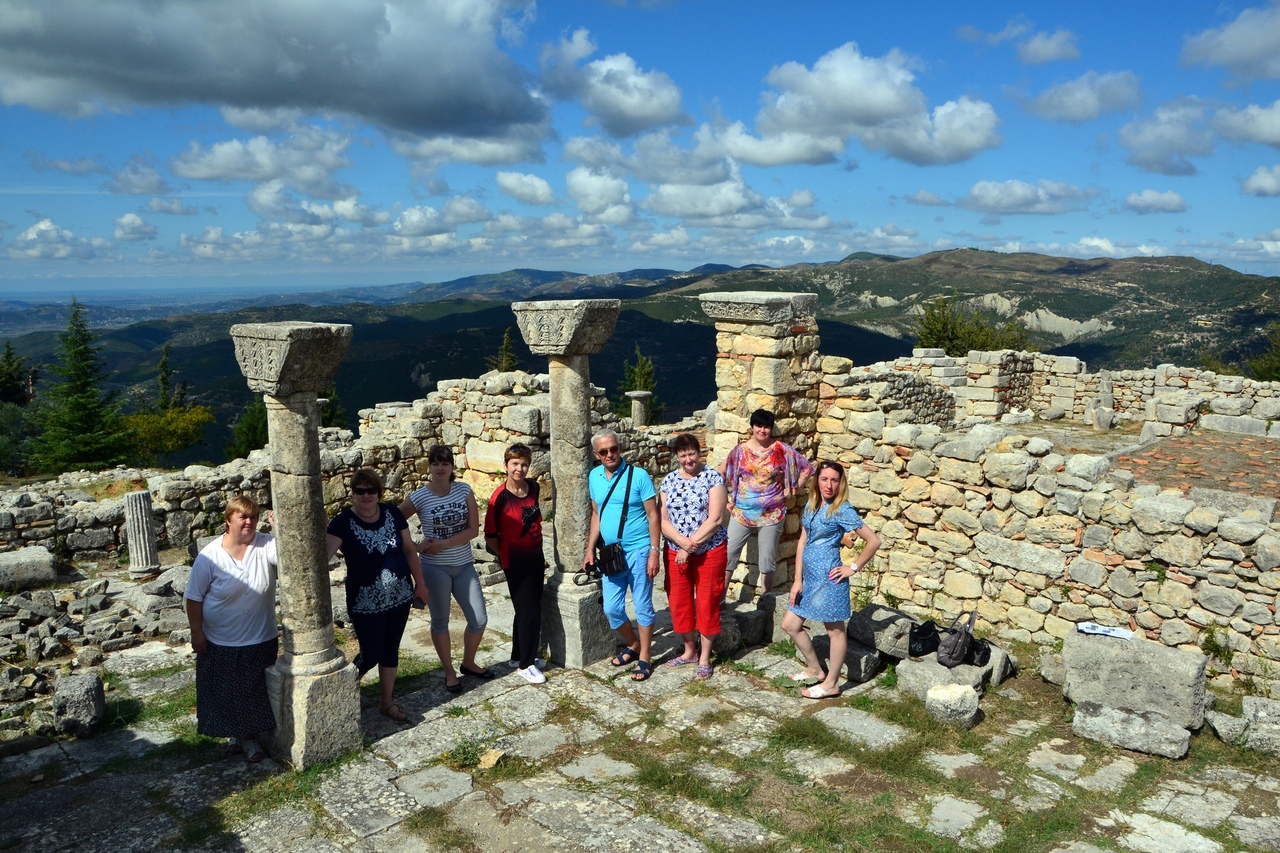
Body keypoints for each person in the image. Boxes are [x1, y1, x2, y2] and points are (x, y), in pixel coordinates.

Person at [326, 469, 427, 722]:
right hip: (365, 602)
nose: (366, 495)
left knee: (390, 649)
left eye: (371, 490)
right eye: (360, 491)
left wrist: (421, 584)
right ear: (352, 493)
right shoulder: (341, 523)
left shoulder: (393, 513)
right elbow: (321, 557)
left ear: (379, 492)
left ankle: (387, 701)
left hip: (400, 596)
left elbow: (409, 550)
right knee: (371, 652)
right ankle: (339, 694)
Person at [185, 495, 278, 761]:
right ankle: (237, 735)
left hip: (260, 635)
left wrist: (278, 529)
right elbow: (194, 597)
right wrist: (196, 632)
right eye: (243, 517)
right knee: (227, 692)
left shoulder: (266, 544)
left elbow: (291, 558)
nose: (249, 522)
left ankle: (248, 739)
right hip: (221, 638)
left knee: (251, 692)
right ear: (228, 521)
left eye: (254, 517)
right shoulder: (209, 557)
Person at [783, 460, 882, 700]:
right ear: (817, 480)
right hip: (809, 578)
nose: (829, 485)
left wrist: (853, 567)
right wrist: (797, 580)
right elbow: (802, 541)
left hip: (830, 578)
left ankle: (832, 684)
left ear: (841, 483)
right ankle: (815, 669)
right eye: (824, 479)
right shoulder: (812, 503)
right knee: (790, 624)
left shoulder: (842, 509)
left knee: (835, 631)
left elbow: (874, 541)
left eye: (834, 480)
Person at [400, 445, 489, 693]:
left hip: (464, 565)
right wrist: (416, 547)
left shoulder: (464, 490)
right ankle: (449, 672)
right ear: (429, 467)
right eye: (436, 463)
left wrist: (444, 544)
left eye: (445, 463)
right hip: (434, 568)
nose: (440, 468)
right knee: (440, 622)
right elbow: (393, 521)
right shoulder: (419, 497)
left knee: (479, 619)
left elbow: (473, 530)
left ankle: (468, 662)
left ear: (452, 467)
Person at [582, 429, 661, 681]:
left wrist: (654, 552)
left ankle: (645, 655)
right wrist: (589, 549)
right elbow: (597, 513)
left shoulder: (638, 476)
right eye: (603, 451)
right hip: (610, 554)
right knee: (612, 608)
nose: (610, 454)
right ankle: (633, 643)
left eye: (613, 449)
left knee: (642, 605)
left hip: (639, 550)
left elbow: (653, 515)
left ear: (620, 448)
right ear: (596, 454)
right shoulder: (594, 476)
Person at [719, 408, 814, 595]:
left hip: (772, 514)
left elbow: (807, 467)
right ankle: (719, 599)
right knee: (728, 554)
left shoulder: (781, 450)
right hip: (741, 512)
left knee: (767, 560)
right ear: (752, 427)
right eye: (758, 426)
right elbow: (720, 473)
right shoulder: (740, 451)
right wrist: (726, 500)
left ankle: (766, 600)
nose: (762, 430)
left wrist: (794, 488)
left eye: (766, 427)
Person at [659, 433, 728, 679]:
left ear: (699, 453)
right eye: (683, 455)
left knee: (707, 601)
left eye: (692, 454)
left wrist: (688, 548)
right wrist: (681, 543)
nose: (688, 459)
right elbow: (662, 520)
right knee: (679, 600)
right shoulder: (668, 481)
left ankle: (705, 656)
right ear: (676, 457)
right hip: (676, 550)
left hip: (709, 550)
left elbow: (716, 518)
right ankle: (689, 651)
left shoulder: (713, 477)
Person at [484, 443, 547, 685]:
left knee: (526, 608)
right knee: (530, 611)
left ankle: (517, 656)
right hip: (515, 561)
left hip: (536, 557)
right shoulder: (499, 498)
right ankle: (526, 665)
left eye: (524, 464)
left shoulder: (533, 487)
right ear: (506, 466)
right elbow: (490, 535)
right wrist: (504, 555)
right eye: (515, 464)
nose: (519, 468)